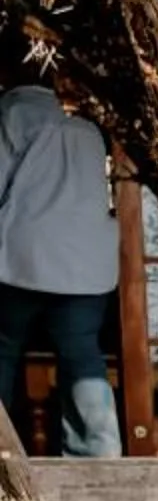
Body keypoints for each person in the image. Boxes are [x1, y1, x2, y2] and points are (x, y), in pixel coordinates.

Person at [0, 82, 123, 458]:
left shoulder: (11, 118)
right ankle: (98, 457)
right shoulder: (87, 132)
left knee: (3, 349)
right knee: (83, 357)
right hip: (86, 264)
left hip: (21, 256)